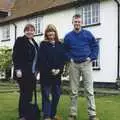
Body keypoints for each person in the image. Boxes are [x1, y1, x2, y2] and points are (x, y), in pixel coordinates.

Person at [64, 14, 99, 120]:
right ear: (72, 23)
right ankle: (73, 114)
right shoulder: (68, 36)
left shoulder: (88, 34)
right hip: (74, 64)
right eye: (75, 21)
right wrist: (69, 58)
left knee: (89, 90)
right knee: (74, 91)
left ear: (82, 23)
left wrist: (91, 57)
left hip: (86, 64)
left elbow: (95, 46)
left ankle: (92, 114)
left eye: (79, 21)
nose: (77, 23)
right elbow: (64, 50)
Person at [38, 24, 66, 120]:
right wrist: (51, 69)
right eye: (49, 35)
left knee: (57, 95)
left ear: (55, 34)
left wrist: (59, 70)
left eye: (52, 34)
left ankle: (53, 114)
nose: (51, 37)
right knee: (46, 96)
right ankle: (46, 115)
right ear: (46, 35)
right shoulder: (43, 44)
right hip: (46, 75)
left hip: (57, 76)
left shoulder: (60, 44)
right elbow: (42, 60)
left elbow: (62, 59)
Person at [12, 24, 39, 120]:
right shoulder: (20, 40)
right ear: (25, 31)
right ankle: (22, 115)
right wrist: (18, 69)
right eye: (27, 30)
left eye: (32, 30)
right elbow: (15, 55)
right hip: (22, 72)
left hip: (32, 74)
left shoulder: (34, 42)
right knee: (24, 94)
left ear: (34, 32)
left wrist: (36, 71)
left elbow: (36, 58)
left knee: (29, 94)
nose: (30, 32)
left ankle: (28, 114)